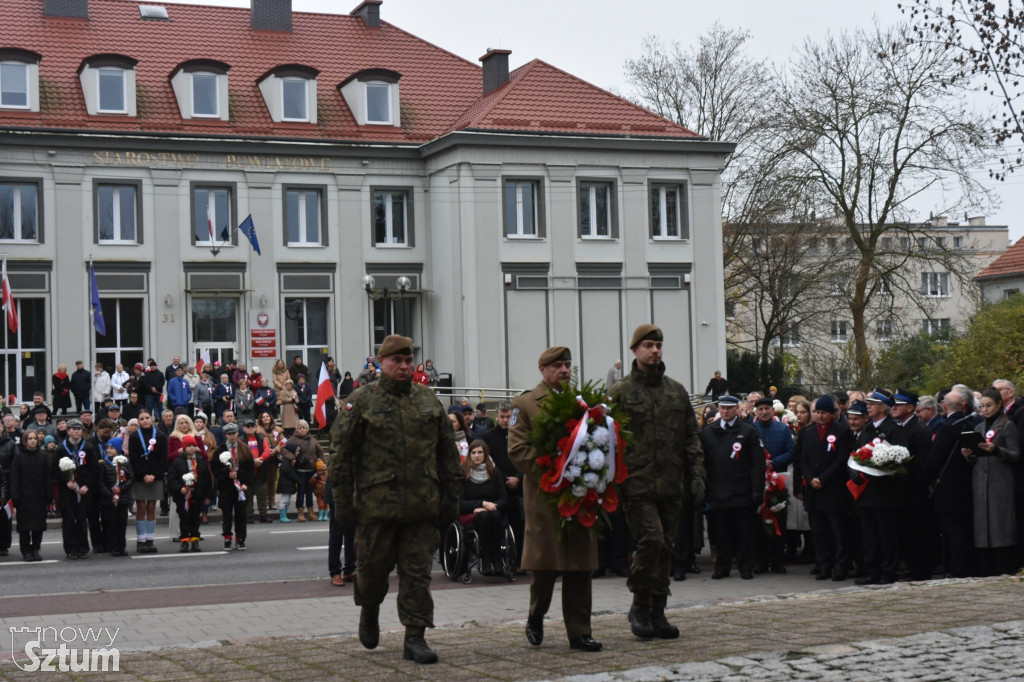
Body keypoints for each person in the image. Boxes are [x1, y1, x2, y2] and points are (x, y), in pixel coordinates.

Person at [329, 334, 461, 665]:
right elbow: (341, 457)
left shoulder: (428, 400)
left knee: (417, 574)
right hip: (376, 507)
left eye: (407, 360)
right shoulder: (360, 401)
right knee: (372, 571)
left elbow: (447, 454)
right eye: (396, 361)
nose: (403, 366)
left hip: (421, 505)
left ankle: (415, 637)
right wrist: (343, 504)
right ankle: (369, 609)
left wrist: (451, 499)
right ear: (382, 363)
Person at [611, 324, 706, 640]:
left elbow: (691, 436)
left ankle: (658, 610)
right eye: (648, 345)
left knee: (666, 547)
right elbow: (606, 439)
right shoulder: (620, 393)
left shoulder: (675, 391)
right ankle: (640, 604)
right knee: (650, 540)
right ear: (635, 350)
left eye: (658, 346)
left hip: (671, 482)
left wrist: (697, 474)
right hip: (637, 484)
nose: (655, 351)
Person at [509, 346, 602, 652]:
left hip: (578, 495)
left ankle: (580, 632)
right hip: (545, 497)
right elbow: (518, 450)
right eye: (557, 365)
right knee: (545, 567)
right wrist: (556, 468)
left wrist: (588, 469)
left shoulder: (581, 402)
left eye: (567, 365)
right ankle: (536, 616)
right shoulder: (525, 403)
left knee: (579, 566)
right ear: (542, 369)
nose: (564, 370)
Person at [701, 394, 764, 581]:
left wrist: (757, 490)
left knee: (744, 533)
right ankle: (722, 567)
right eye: (723, 408)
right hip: (718, 491)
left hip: (742, 490)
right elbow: (703, 463)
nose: (726, 411)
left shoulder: (748, 430)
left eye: (729, 408)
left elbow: (757, 463)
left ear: (737, 409)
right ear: (719, 409)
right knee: (722, 533)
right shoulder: (708, 432)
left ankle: (746, 567)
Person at [962, 386, 1020, 576]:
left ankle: (1004, 566)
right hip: (980, 483)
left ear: (999, 405)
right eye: (982, 406)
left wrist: (996, 450)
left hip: (999, 484)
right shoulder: (978, 427)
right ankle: (985, 569)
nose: (985, 410)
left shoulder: (1007, 426)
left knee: (1000, 527)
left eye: (989, 405)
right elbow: (978, 457)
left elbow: (1015, 455)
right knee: (982, 528)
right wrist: (969, 455)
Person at [801, 394, 853, 581]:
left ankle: (840, 566)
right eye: (817, 412)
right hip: (814, 490)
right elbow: (804, 459)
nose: (820, 416)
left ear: (831, 414)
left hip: (833, 489)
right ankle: (824, 565)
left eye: (824, 412)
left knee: (837, 531)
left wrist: (822, 478)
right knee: (819, 531)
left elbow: (841, 459)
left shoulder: (841, 431)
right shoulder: (809, 432)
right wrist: (810, 478)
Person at [926, 387, 976, 577]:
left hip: (948, 487)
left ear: (945, 405)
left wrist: (927, 477)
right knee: (963, 528)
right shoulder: (972, 422)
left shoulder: (947, 427)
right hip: (966, 485)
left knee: (953, 531)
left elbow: (935, 458)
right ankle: (966, 567)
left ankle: (957, 570)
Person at [752, 396, 794, 574]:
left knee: (779, 518)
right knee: (759, 521)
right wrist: (762, 463)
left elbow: (791, 451)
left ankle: (778, 560)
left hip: (779, 480)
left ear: (772, 410)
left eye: (766, 409)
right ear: (756, 411)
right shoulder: (751, 429)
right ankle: (761, 561)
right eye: (760, 409)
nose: (763, 412)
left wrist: (773, 463)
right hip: (757, 480)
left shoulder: (783, 429)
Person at [481, 401, 522, 568]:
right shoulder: (487, 436)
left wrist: (518, 477)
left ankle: (518, 562)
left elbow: (526, 458)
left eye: (509, 417)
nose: (505, 420)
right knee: (496, 523)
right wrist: (505, 478)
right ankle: (496, 558)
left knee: (519, 524)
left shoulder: (520, 435)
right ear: (496, 417)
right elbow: (489, 462)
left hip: (519, 486)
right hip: (498, 487)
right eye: (502, 417)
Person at [459, 439, 508, 575]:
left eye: (480, 452)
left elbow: (504, 498)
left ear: (485, 454)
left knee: (493, 514)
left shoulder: (494, 473)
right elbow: (459, 503)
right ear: (469, 455)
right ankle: (486, 557)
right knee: (484, 515)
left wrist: (493, 505)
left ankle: (497, 556)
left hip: (493, 512)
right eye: (473, 452)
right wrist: (480, 504)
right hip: (470, 514)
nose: (476, 455)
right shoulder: (463, 473)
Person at [55, 419, 99, 559]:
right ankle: (70, 549)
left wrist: (87, 485)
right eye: (73, 429)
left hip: (83, 490)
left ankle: (83, 548)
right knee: (68, 519)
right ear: (68, 431)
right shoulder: (61, 448)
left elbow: (94, 469)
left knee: (81, 519)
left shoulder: (88, 447)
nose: (76, 431)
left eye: (79, 429)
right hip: (67, 490)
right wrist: (66, 481)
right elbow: (55, 470)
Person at [128, 410, 166, 554]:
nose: (145, 421)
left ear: (151, 419)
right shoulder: (134, 436)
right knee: (141, 508)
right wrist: (143, 475)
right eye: (142, 419)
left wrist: (154, 475)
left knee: (151, 507)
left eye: (147, 418)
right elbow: (134, 458)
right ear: (138, 421)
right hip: (140, 477)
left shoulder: (161, 436)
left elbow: (162, 458)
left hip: (155, 477)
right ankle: (140, 541)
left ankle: (150, 540)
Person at [9, 430, 50, 561]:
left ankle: (36, 549)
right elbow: (14, 478)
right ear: (25, 441)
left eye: (35, 438)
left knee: (38, 526)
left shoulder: (43, 456)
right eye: (30, 438)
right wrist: (15, 496)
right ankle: (26, 551)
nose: (33, 441)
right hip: (24, 498)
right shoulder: (19, 457)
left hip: (39, 497)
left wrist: (49, 496)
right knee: (24, 527)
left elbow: (47, 478)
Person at [169, 434, 211, 552]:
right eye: (189, 446)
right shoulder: (177, 462)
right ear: (184, 447)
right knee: (184, 519)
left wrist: (207, 495)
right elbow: (171, 480)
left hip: (198, 494)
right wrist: (179, 488)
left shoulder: (200, 460)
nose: (191, 448)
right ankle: (184, 541)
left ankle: (195, 540)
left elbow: (207, 479)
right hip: (183, 496)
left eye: (193, 446)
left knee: (195, 519)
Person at [214, 423, 253, 550]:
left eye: (234, 433)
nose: (232, 436)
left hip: (241, 487)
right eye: (229, 434)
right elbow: (215, 469)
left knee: (241, 514)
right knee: (227, 514)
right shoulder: (220, 450)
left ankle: (240, 538)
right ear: (225, 434)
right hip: (226, 487)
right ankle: (227, 537)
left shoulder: (244, 448)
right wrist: (226, 474)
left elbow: (249, 468)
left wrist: (246, 483)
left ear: (238, 433)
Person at [98, 437, 133, 556]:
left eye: (112, 448)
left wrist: (122, 488)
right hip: (109, 499)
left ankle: (121, 546)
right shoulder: (104, 464)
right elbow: (101, 482)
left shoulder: (125, 463)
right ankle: (113, 547)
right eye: (107, 448)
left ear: (118, 449)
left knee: (122, 523)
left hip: (122, 498)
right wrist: (110, 494)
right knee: (111, 524)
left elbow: (131, 479)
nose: (109, 450)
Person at [288, 419, 324, 522]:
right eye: (300, 428)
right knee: (301, 492)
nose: (302, 430)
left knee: (309, 492)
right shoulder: (292, 439)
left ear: (307, 429)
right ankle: (300, 513)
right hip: (300, 471)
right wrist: (292, 457)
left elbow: (320, 452)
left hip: (311, 471)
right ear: (297, 429)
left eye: (304, 428)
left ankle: (311, 513)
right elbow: (283, 449)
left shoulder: (313, 440)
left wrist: (323, 464)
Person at [244, 418, 274, 523]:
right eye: (248, 426)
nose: (251, 428)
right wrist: (253, 462)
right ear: (243, 428)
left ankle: (263, 515)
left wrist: (261, 459)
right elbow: (241, 454)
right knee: (248, 495)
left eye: (253, 426)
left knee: (261, 495)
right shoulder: (241, 439)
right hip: (247, 473)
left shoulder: (261, 438)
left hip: (260, 471)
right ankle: (249, 516)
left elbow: (267, 451)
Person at [256, 411, 284, 516]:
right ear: (261, 419)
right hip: (263, 458)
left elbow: (283, 441)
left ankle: (272, 500)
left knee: (272, 480)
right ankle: (265, 500)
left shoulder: (277, 429)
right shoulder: (258, 430)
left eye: (267, 416)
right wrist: (267, 451)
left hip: (274, 458)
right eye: (263, 417)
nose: (265, 418)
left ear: (270, 418)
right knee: (264, 480)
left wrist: (276, 450)